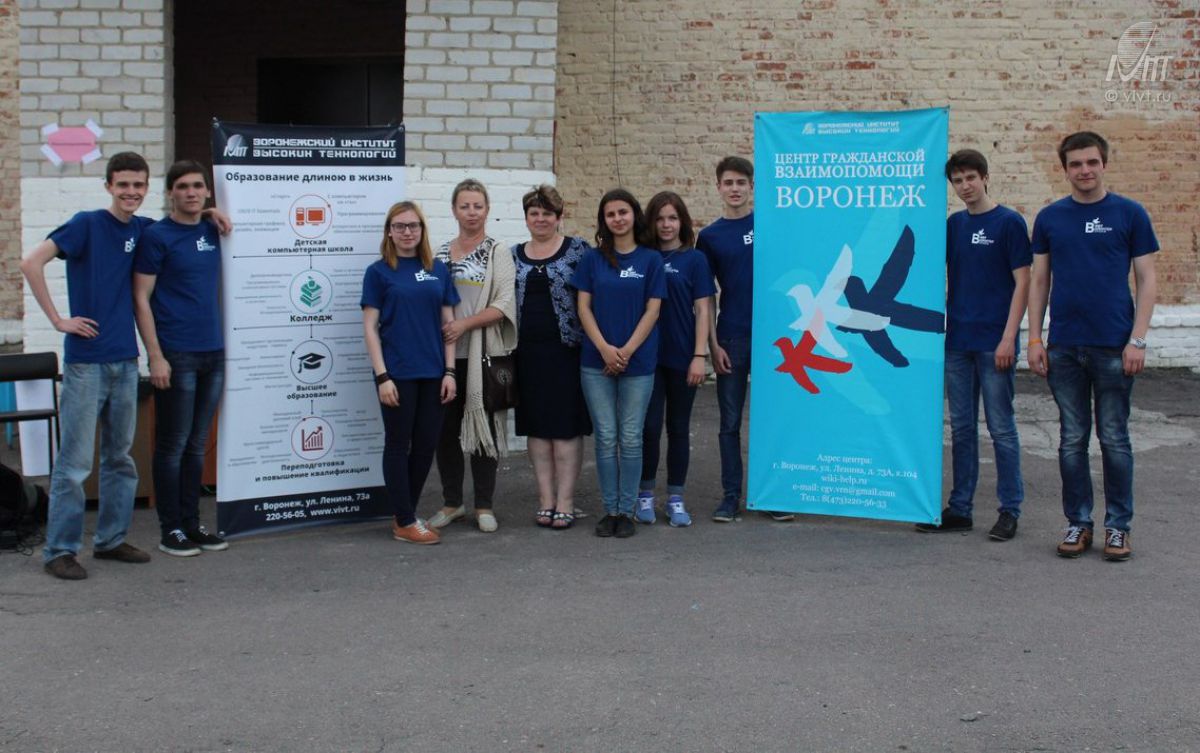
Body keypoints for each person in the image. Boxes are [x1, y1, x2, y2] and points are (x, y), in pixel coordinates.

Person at [20, 152, 158, 579]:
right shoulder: (86, 224)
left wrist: (209, 212)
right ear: (109, 186)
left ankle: (111, 540)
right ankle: (59, 551)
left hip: (125, 361)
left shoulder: (141, 229)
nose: (131, 192)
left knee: (120, 459)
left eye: (138, 185)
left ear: (146, 187)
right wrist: (58, 320)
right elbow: (31, 262)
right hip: (86, 364)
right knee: (75, 464)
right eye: (123, 185)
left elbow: (182, 226)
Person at [1027, 131, 1158, 562]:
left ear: (1104, 164)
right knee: (1071, 440)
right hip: (1064, 347)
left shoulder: (1129, 214)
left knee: (1115, 439)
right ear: (1065, 169)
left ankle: (1118, 527)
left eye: (1091, 162)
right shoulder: (1050, 218)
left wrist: (1138, 339)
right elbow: (1040, 281)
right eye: (1076, 164)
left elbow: (1147, 279)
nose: (1084, 170)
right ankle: (1078, 523)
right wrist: (1035, 338)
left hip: (1114, 347)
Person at [916, 150, 1030, 541]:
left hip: (995, 342)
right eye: (958, 180)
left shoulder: (1009, 222)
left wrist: (1009, 337)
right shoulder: (954, 225)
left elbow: (1023, 283)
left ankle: (1009, 510)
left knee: (1001, 429)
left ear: (985, 177)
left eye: (970, 178)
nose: (965, 186)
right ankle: (960, 508)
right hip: (958, 342)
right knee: (962, 429)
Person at [133, 160, 229, 557]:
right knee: (172, 444)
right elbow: (140, 299)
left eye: (197, 186)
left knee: (196, 444)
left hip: (214, 353)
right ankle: (169, 529)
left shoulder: (212, 229)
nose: (191, 192)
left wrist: (210, 213)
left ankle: (192, 524)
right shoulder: (156, 237)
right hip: (176, 354)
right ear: (170, 192)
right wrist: (155, 356)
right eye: (183, 186)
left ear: (207, 191)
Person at [698, 156, 794, 523]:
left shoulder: (771, 224)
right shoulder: (710, 237)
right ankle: (730, 497)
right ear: (719, 187)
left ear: (752, 187)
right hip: (732, 336)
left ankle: (772, 494)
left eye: (741, 182)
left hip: (774, 337)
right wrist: (712, 344)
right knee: (730, 422)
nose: (735, 188)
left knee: (772, 418)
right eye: (728, 182)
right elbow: (705, 297)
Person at [361, 201, 459, 545]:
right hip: (397, 374)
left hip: (434, 373)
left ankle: (406, 514)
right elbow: (370, 328)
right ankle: (404, 520)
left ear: (422, 230)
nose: (407, 232)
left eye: (413, 225)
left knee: (426, 446)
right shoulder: (378, 272)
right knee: (398, 444)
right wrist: (382, 377)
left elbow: (449, 326)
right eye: (400, 226)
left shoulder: (438, 269)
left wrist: (450, 371)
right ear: (389, 231)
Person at [573, 189, 665, 538]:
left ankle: (627, 511)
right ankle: (609, 510)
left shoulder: (650, 260)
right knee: (606, 436)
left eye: (623, 212)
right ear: (604, 220)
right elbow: (583, 307)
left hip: (637, 362)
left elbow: (653, 310)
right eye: (610, 214)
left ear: (634, 215)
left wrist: (624, 351)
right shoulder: (592, 259)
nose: (617, 219)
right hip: (595, 362)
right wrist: (605, 349)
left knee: (630, 437)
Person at [428, 179, 517, 533]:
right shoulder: (439, 254)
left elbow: (504, 303)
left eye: (478, 206)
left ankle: (484, 505)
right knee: (445, 432)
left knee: (484, 431)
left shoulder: (497, 252)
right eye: (464, 206)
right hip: (445, 357)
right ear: (454, 210)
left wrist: (463, 325)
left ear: (487, 209)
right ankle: (452, 503)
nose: (471, 212)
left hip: (483, 354)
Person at [512, 185, 593, 530]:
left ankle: (566, 501)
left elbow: (595, 295)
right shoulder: (513, 255)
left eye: (547, 213)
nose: (540, 219)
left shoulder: (579, 251)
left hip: (567, 353)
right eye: (534, 213)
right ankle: (545, 499)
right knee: (537, 429)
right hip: (527, 354)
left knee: (564, 429)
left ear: (559, 217)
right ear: (526, 217)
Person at [636, 192, 714, 528]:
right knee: (649, 427)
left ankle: (676, 498)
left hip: (683, 357)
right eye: (659, 218)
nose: (666, 225)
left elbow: (703, 310)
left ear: (682, 221)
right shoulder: (643, 257)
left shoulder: (695, 260)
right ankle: (644, 494)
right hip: (648, 357)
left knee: (679, 428)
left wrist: (699, 355)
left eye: (672, 218)